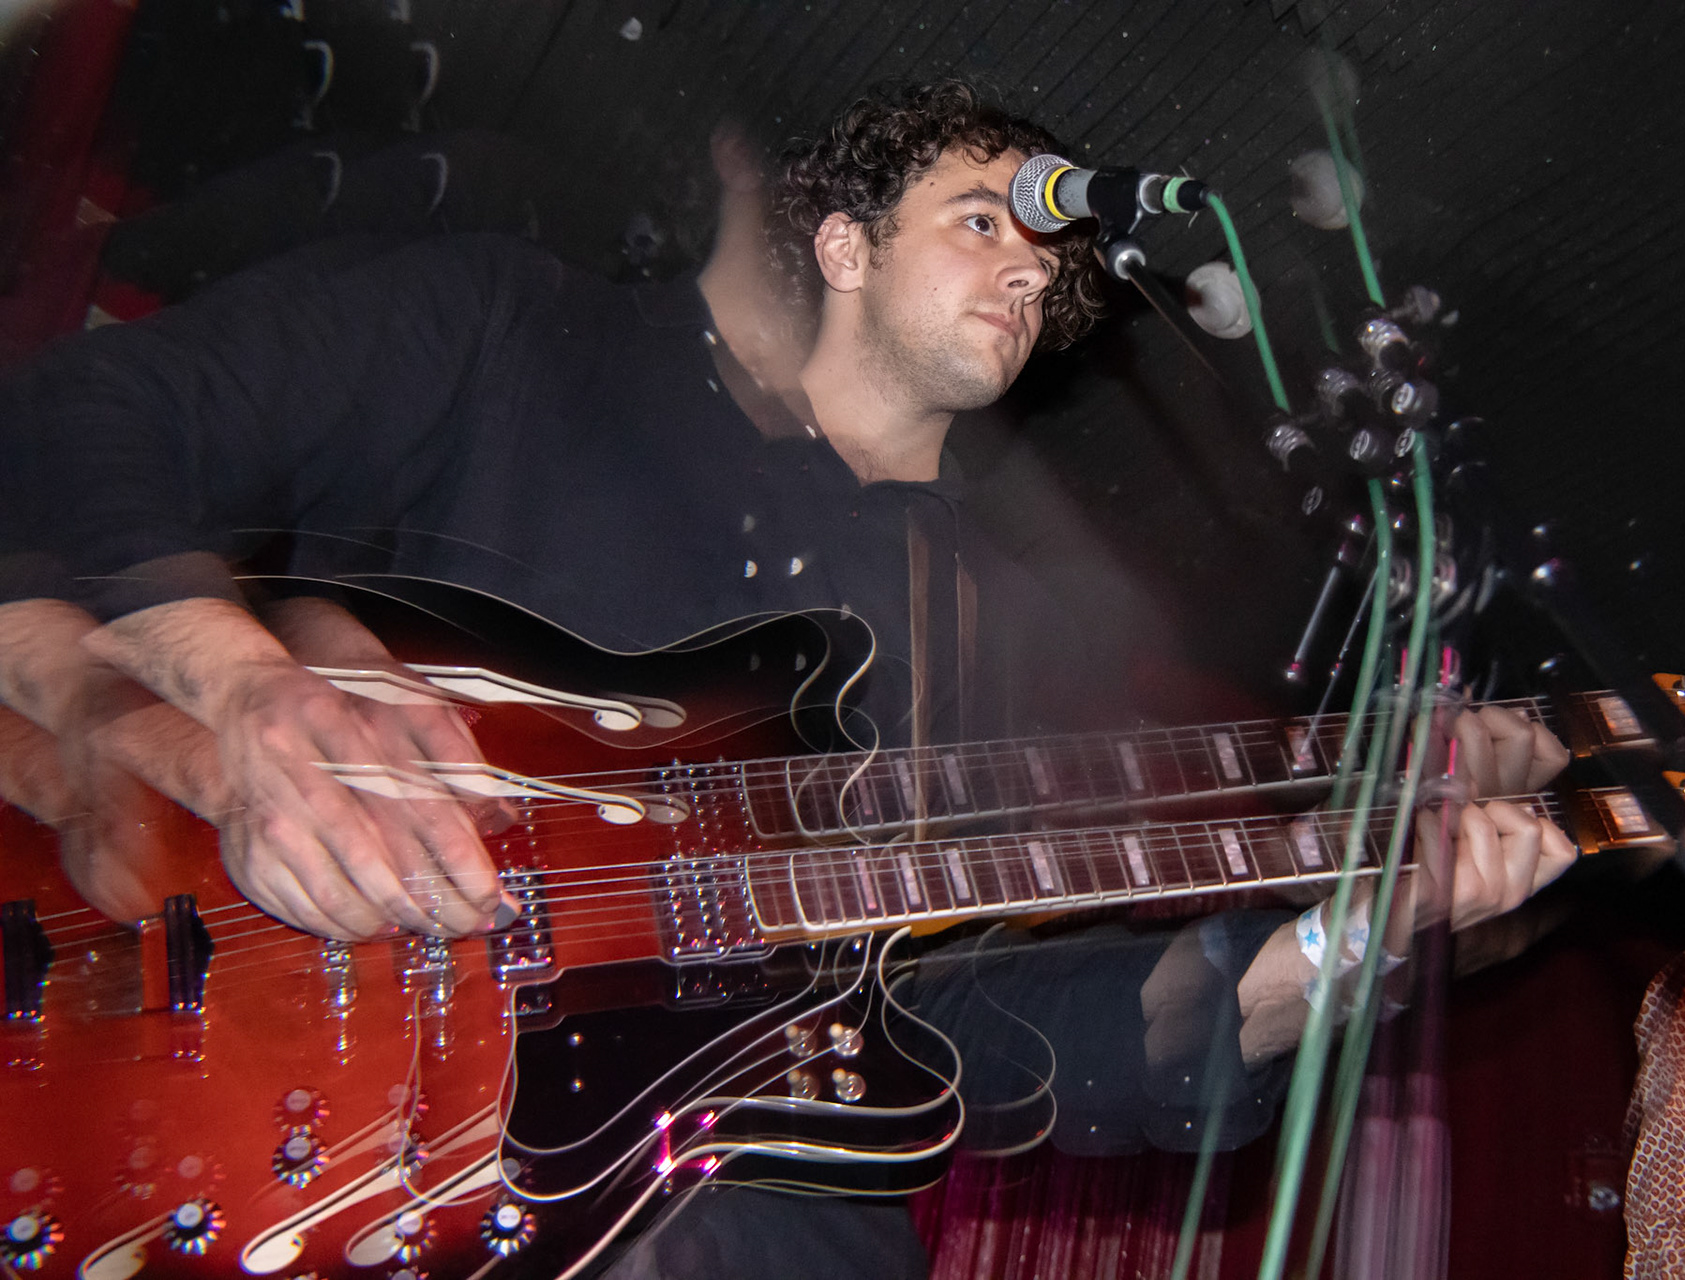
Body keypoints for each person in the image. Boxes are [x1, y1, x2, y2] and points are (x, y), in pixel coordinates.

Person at [0, 81, 1573, 1277]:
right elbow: (84, 422)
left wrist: (1358, 934)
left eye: (1052, 260)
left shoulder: (1011, 633)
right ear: (842, 240)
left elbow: (1023, 1038)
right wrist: (240, 689)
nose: (1032, 270)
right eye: (985, 219)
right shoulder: (512, 335)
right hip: (280, 1092)